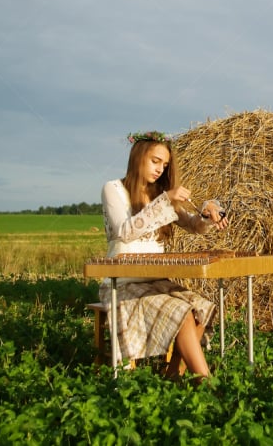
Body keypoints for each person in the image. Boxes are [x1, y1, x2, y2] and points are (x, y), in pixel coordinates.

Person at [99, 130, 228, 381]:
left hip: (157, 282)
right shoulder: (113, 189)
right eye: (155, 161)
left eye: (165, 164)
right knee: (182, 312)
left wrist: (207, 211)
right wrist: (165, 199)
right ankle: (206, 383)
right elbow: (125, 231)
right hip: (122, 284)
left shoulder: (160, 194)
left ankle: (173, 376)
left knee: (200, 308)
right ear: (138, 157)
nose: (160, 169)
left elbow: (194, 226)